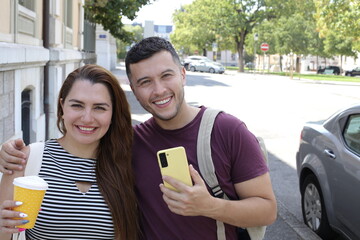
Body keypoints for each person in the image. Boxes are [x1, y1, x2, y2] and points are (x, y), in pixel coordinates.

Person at [1, 37, 277, 239]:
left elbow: (267, 211)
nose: (158, 90)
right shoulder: (132, 143)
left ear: (182, 75)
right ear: (133, 88)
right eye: (145, 82)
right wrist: (11, 154)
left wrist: (210, 206)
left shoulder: (227, 130)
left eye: (166, 76)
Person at [0, 64, 139, 240]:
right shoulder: (24, 160)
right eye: (77, 105)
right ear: (62, 106)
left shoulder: (128, 162)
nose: (87, 118)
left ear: (113, 113)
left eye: (99, 108)